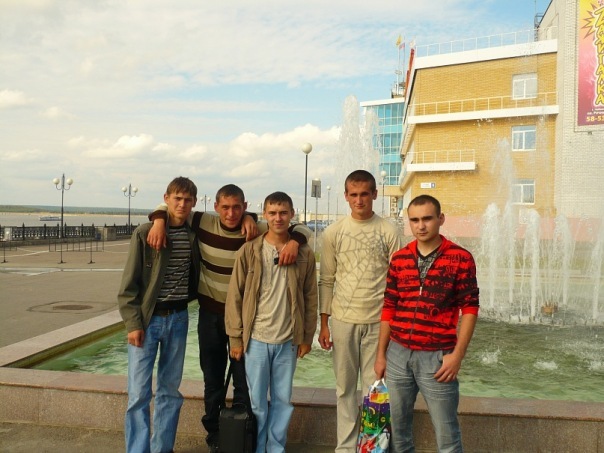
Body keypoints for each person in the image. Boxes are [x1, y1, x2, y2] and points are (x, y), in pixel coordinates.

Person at [146, 184, 310, 452]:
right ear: (215, 207)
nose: (231, 213)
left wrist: (295, 241)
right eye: (225, 207)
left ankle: (245, 436)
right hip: (211, 316)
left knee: (244, 383)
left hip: (246, 319)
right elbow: (174, 208)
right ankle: (215, 435)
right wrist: (158, 221)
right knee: (212, 379)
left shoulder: (258, 227)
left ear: (245, 207)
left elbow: (300, 228)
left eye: (236, 208)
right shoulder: (203, 222)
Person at [374, 194, 480, 453]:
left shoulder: (460, 258)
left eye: (427, 219)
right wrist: (381, 355)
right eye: (414, 220)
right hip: (398, 355)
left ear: (440, 219)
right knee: (398, 434)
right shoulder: (400, 258)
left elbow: (469, 308)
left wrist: (457, 355)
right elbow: (389, 307)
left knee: (447, 435)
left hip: (438, 358)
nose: (421, 226)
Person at [225, 191, 318, 453]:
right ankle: (258, 446)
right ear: (264, 214)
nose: (278, 218)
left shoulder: (304, 253)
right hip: (256, 339)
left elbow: (310, 297)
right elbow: (235, 296)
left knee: (282, 400)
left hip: (287, 339)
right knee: (257, 402)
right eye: (273, 213)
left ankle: (276, 447)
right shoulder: (249, 250)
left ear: (292, 214)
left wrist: (306, 337)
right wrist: (235, 337)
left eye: (283, 213)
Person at [318, 169, 403, 452]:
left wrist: (394, 324)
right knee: (344, 389)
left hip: (378, 322)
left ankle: (372, 448)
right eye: (353, 194)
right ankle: (344, 448)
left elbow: (397, 282)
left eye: (364, 194)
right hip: (343, 320)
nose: (359, 200)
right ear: (345, 196)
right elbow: (326, 279)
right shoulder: (333, 232)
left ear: (374, 194)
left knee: (374, 389)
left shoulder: (389, 231)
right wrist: (324, 323)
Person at [118, 176, 200, 453]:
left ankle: (162, 448)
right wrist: (133, 323)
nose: (182, 204)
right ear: (166, 199)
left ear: (194, 203)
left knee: (170, 392)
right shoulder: (145, 233)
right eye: (177, 198)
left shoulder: (193, 233)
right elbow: (128, 286)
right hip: (148, 320)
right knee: (139, 393)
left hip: (179, 318)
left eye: (187, 200)